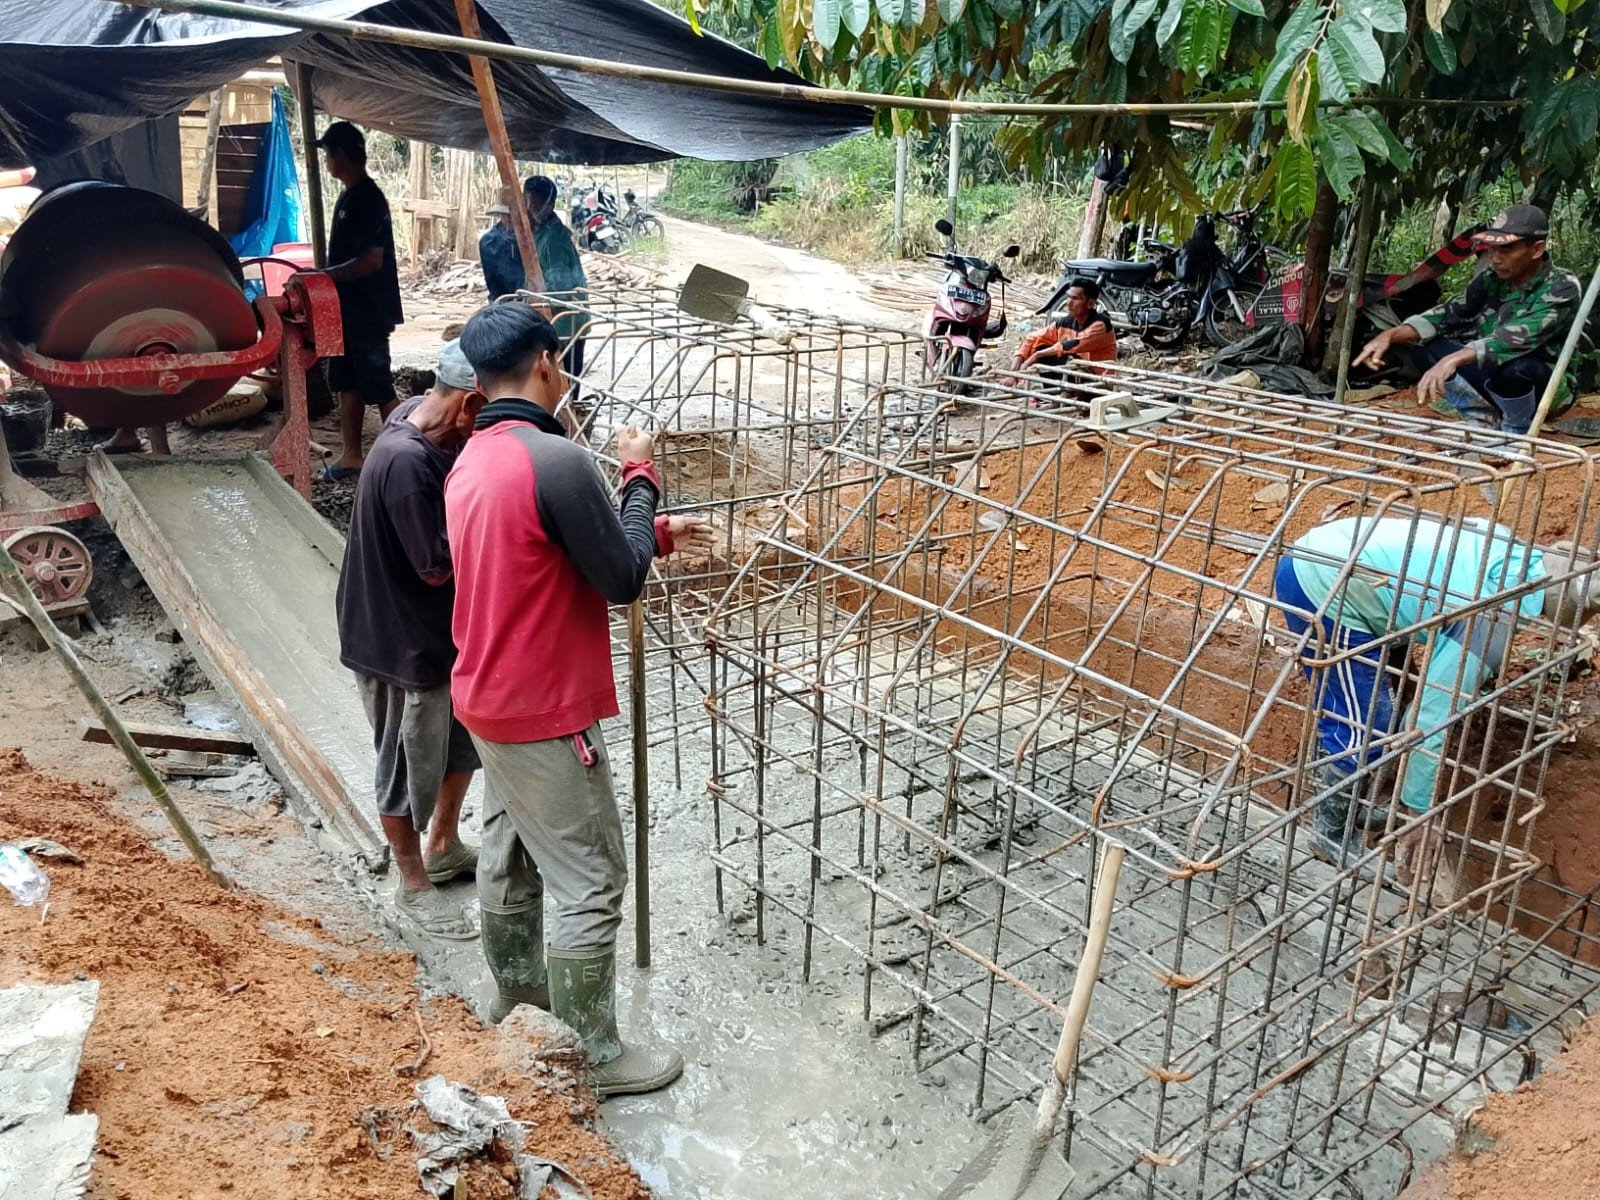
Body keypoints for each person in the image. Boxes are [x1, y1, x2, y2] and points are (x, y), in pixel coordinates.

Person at [446, 303, 712, 1097]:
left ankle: (518, 1001)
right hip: (544, 708)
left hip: (487, 693)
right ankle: (593, 1055)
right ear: (547, 363)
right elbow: (619, 578)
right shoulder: (556, 460)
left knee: (509, 853)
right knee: (592, 878)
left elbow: (543, 553)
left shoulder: (473, 457)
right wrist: (640, 477)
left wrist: (651, 532)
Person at [1274, 514, 1600, 892]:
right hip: (1322, 582)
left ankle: (1348, 801)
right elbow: (1431, 717)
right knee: (1365, 720)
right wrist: (1419, 812)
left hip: (1355, 569)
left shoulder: (1509, 549)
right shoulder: (1492, 618)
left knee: (1385, 700)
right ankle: (1329, 832)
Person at [336, 339, 485, 939]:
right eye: (491, 410)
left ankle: (443, 843)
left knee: (461, 743)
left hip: (435, 631)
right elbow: (436, 566)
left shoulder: (423, 419)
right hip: (396, 639)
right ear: (468, 402)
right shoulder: (405, 462)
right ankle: (412, 880)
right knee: (406, 759)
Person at [1353, 205, 1581, 438]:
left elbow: (1511, 340)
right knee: (1427, 350)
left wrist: (1453, 359)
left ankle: (1517, 431)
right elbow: (1450, 312)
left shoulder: (1562, 287)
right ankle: (1483, 418)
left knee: (1514, 368)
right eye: (1492, 248)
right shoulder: (1493, 278)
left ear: (1537, 249)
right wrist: (1390, 335)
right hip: (1493, 373)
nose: (1495, 258)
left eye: (1506, 249)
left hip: (1546, 386)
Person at [313, 121, 403, 480]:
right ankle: (352, 455)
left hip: (368, 309)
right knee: (346, 381)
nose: (326, 162)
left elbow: (371, 261)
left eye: (327, 154)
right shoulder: (350, 196)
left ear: (341, 155)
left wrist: (324, 276)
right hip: (348, 309)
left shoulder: (368, 198)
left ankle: (409, 452)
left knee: (378, 385)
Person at [1012, 278, 1117, 374]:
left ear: (1090, 303)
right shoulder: (1066, 322)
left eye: (1075, 298)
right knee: (1039, 347)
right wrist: (1015, 368)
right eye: (1068, 297)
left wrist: (1036, 356)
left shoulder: (1101, 324)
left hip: (1096, 378)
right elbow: (1032, 338)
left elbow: (1072, 345)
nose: (1069, 303)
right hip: (1076, 371)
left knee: (1049, 354)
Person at [479, 202, 520, 301]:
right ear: (501, 215)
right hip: (501, 297)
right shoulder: (489, 241)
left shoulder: (530, 236)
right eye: (506, 215)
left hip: (526, 295)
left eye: (512, 215)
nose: (509, 218)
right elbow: (492, 279)